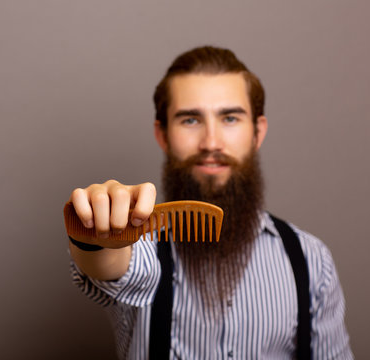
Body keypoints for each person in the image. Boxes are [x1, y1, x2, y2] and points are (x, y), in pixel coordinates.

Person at [67, 46, 353, 359]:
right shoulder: (143, 243)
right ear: (162, 135)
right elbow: (110, 263)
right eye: (190, 120)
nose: (211, 143)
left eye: (230, 118)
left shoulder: (311, 260)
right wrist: (96, 238)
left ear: (258, 133)